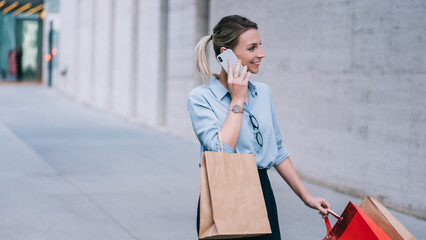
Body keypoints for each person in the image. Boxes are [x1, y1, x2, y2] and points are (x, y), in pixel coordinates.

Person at [187, 15, 331, 240]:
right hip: (223, 191)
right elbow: (221, 150)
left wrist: (306, 197)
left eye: (260, 45)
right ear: (226, 55)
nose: (261, 54)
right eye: (252, 48)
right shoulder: (201, 98)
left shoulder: (263, 92)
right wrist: (237, 100)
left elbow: (278, 150)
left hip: (262, 192)